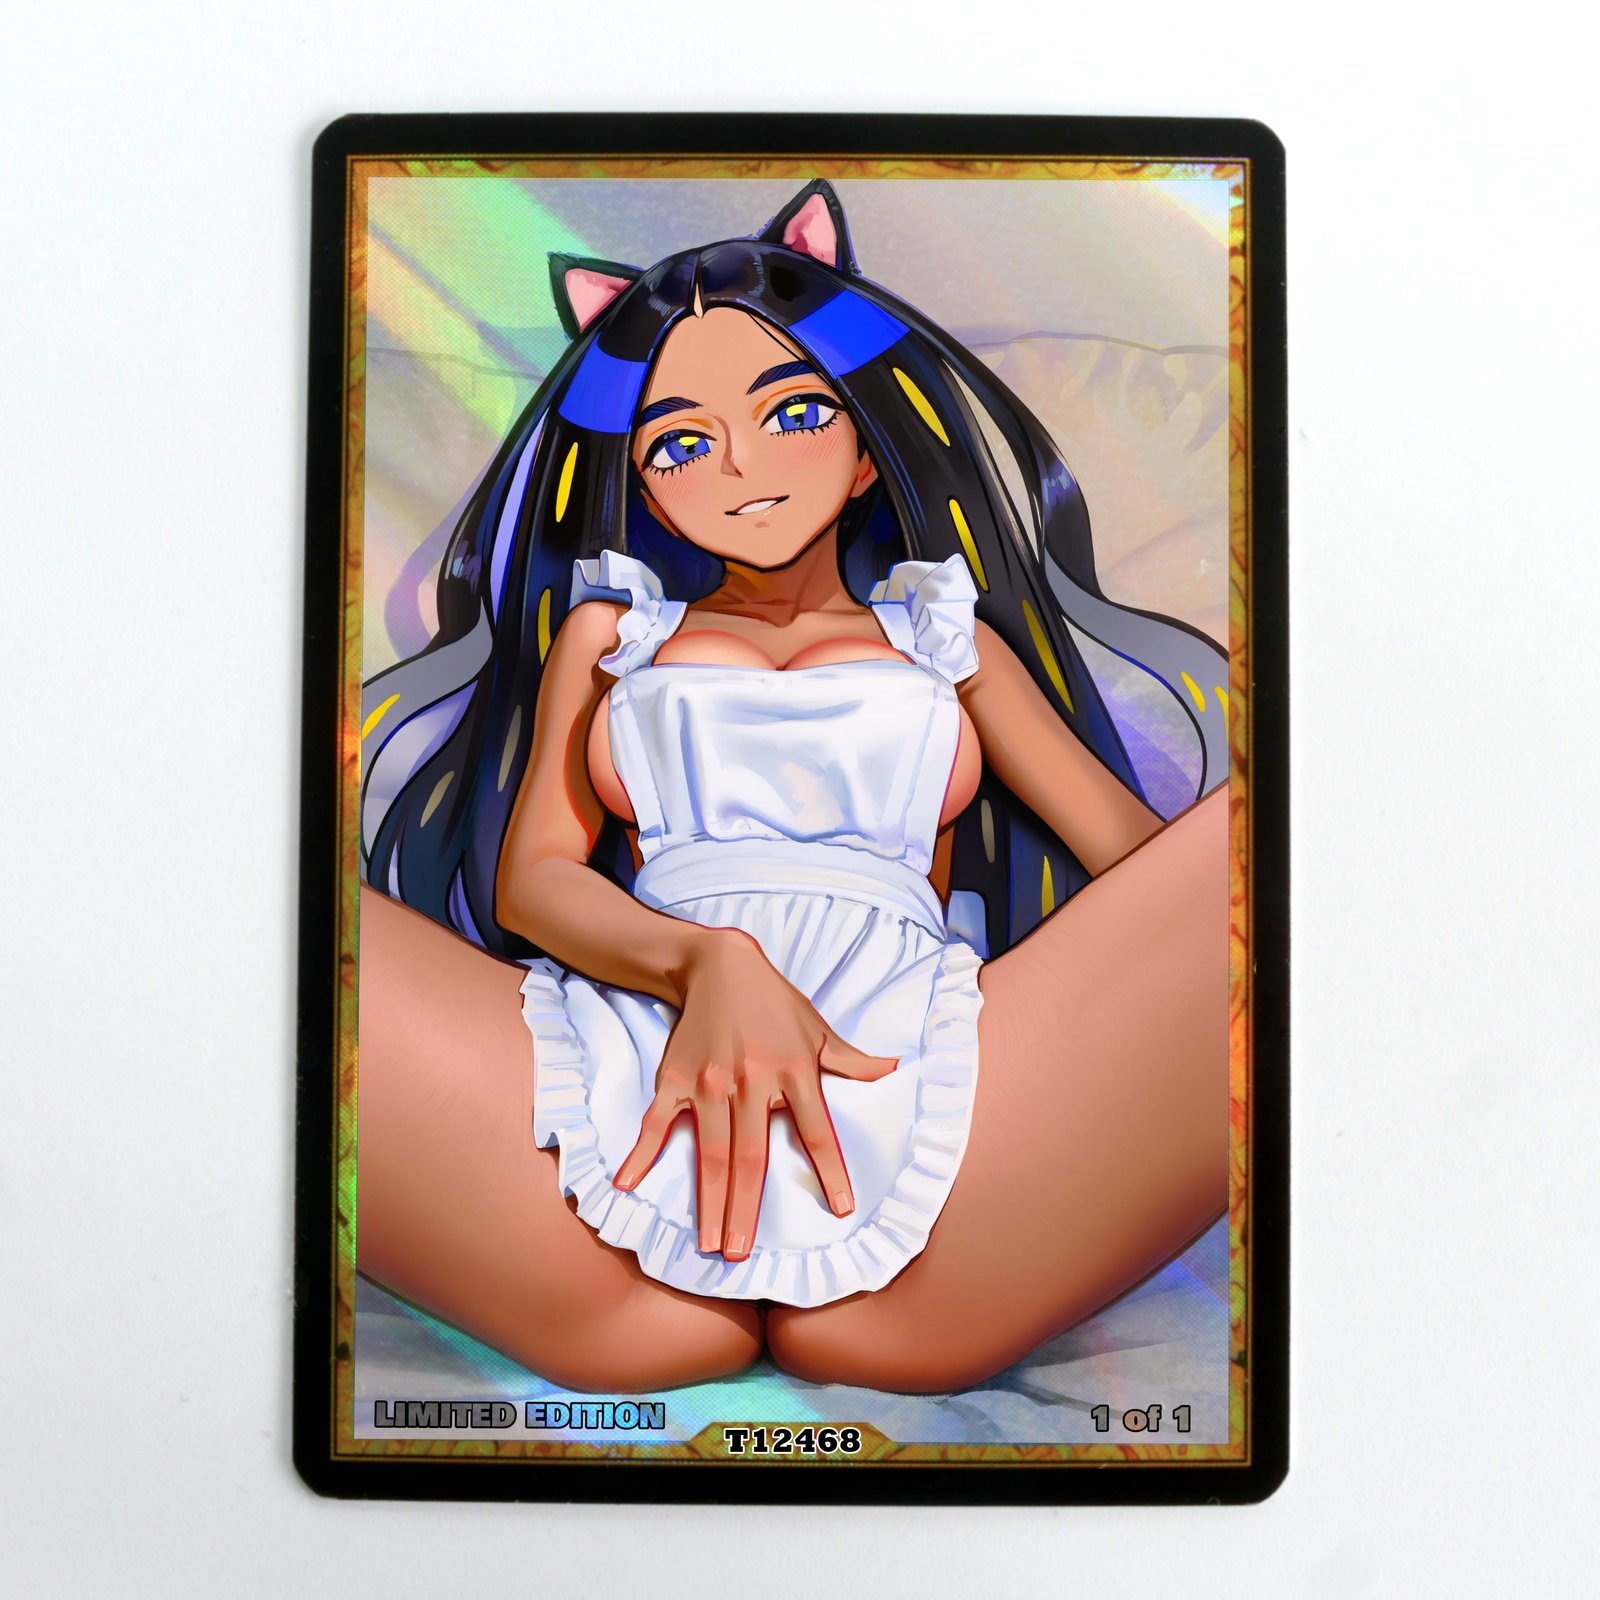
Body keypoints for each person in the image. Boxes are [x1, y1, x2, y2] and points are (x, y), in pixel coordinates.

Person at [355, 180, 1231, 1394]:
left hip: (935, 1102)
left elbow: (1143, 873)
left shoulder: (945, 638)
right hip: (613, 1090)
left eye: (795, 413)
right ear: (645, 487)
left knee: (1273, 841)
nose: (742, 469)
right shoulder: (613, 633)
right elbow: (535, 880)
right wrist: (705, 963)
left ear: (868, 450)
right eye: (680, 443)